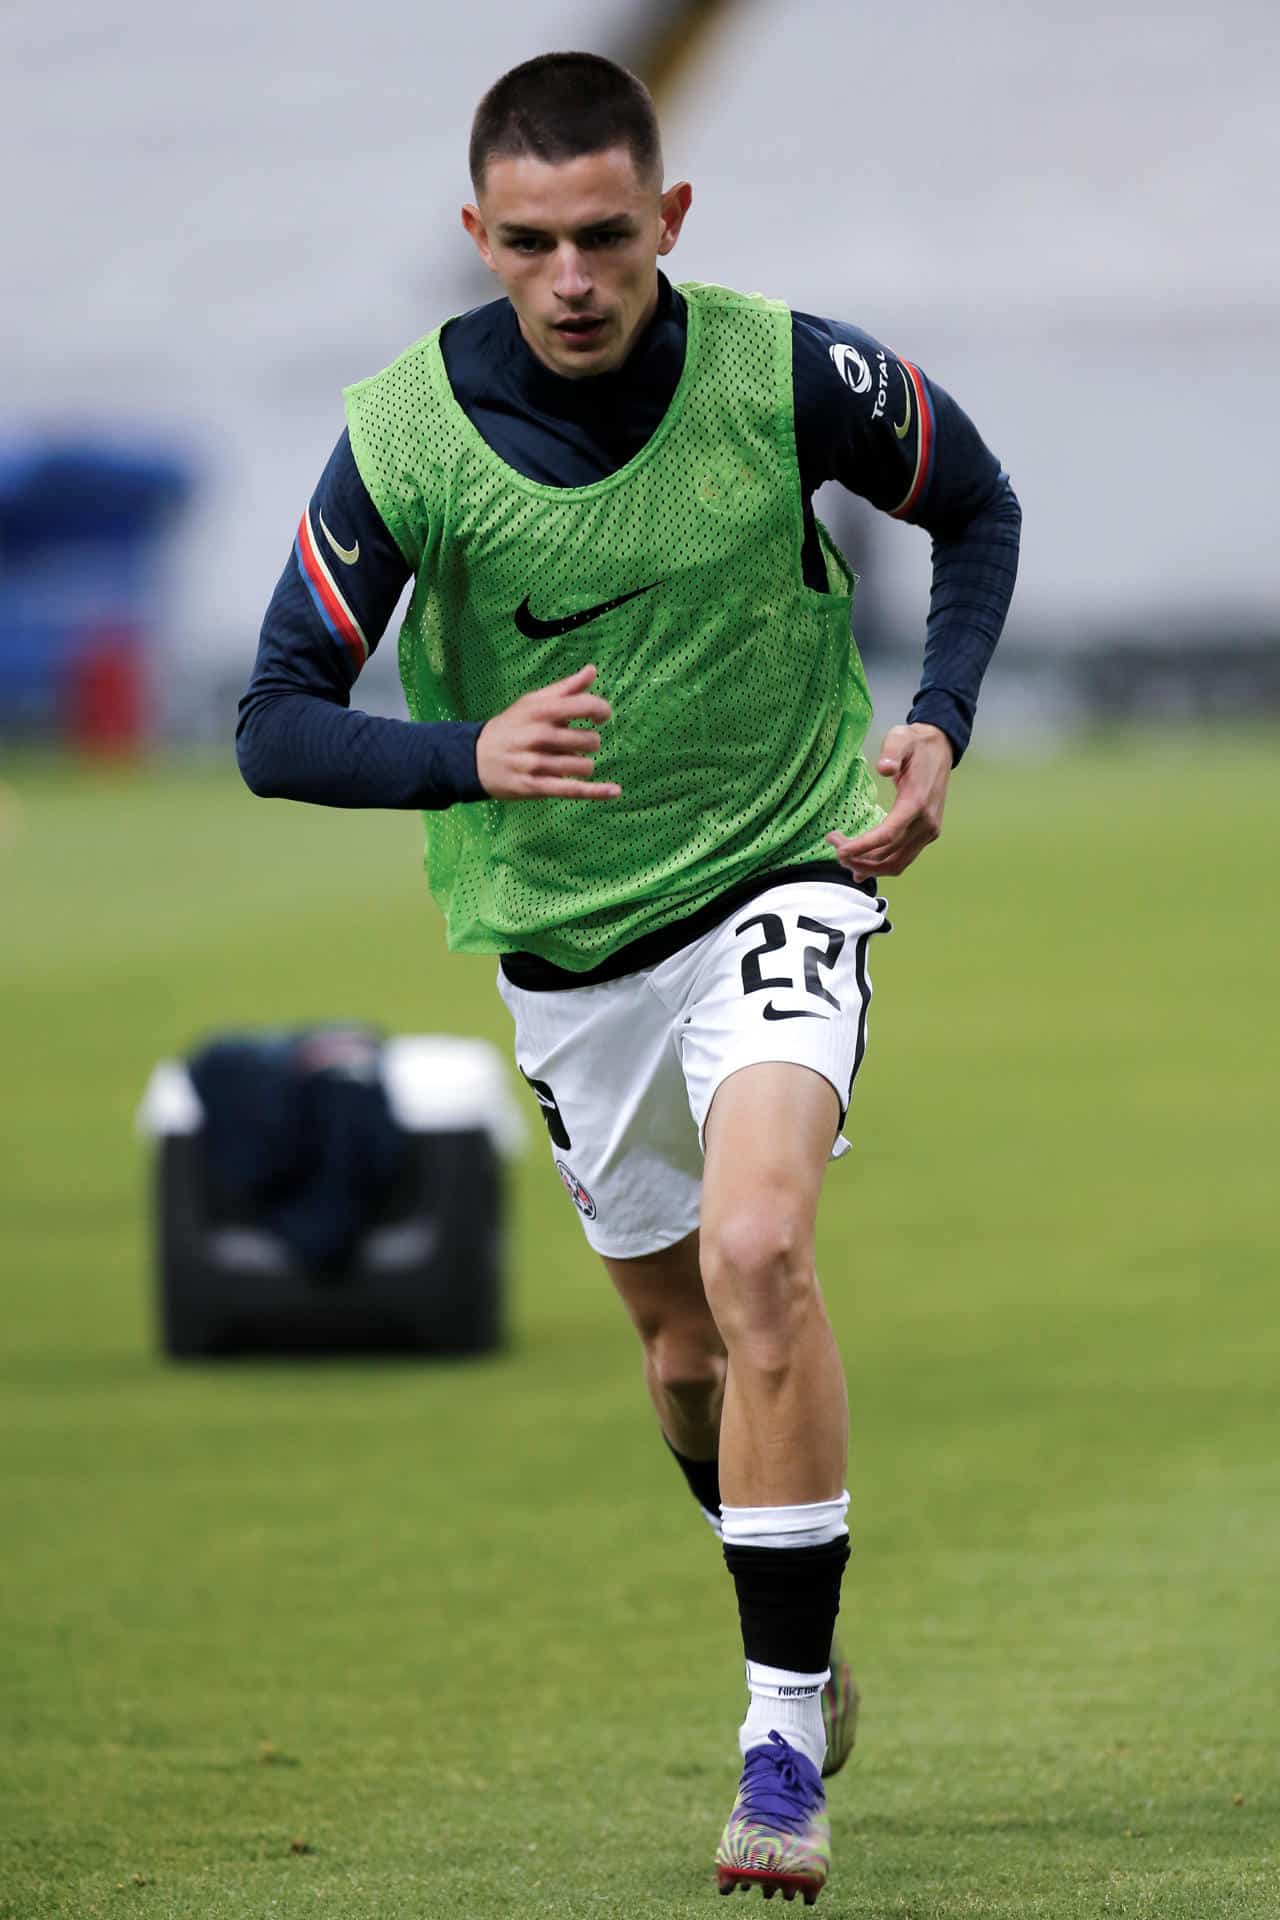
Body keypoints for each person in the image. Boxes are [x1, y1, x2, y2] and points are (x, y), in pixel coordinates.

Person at [237, 50, 1020, 1905]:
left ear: (669, 220)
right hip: (573, 954)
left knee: (762, 1255)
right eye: (531, 244)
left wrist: (939, 723)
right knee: (682, 1356)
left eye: (607, 235)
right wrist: (464, 754)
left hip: (785, 869)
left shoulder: (788, 370)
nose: (573, 277)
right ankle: (797, 1612)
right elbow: (272, 721)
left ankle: (774, 1739)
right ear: (479, 240)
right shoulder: (407, 440)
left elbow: (974, 507)